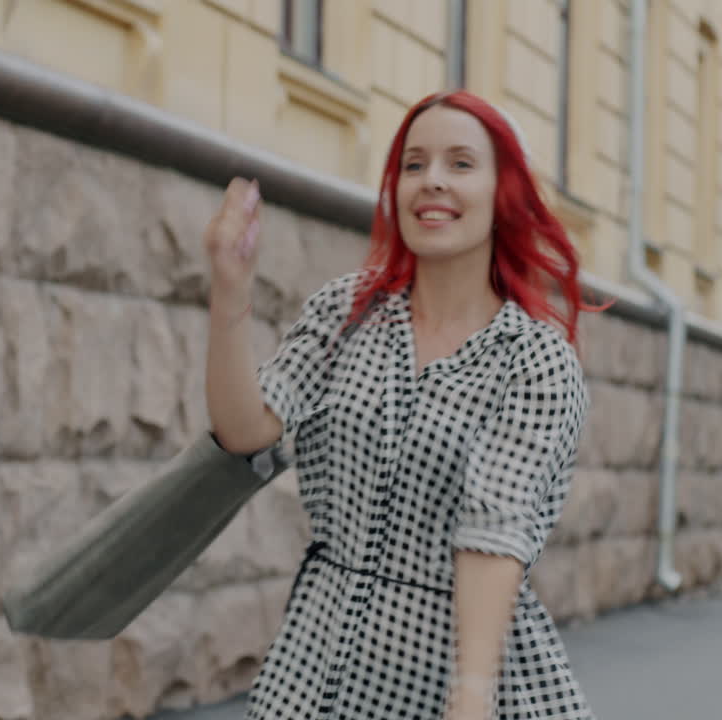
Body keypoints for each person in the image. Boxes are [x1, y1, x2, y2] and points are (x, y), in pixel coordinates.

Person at [202, 90, 602, 720]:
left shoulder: (535, 363)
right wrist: (230, 291)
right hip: (314, 667)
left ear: (505, 195)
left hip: (456, 670)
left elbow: (492, 535)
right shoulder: (346, 312)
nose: (431, 181)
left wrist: (471, 695)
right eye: (413, 165)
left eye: (460, 164)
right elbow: (246, 430)